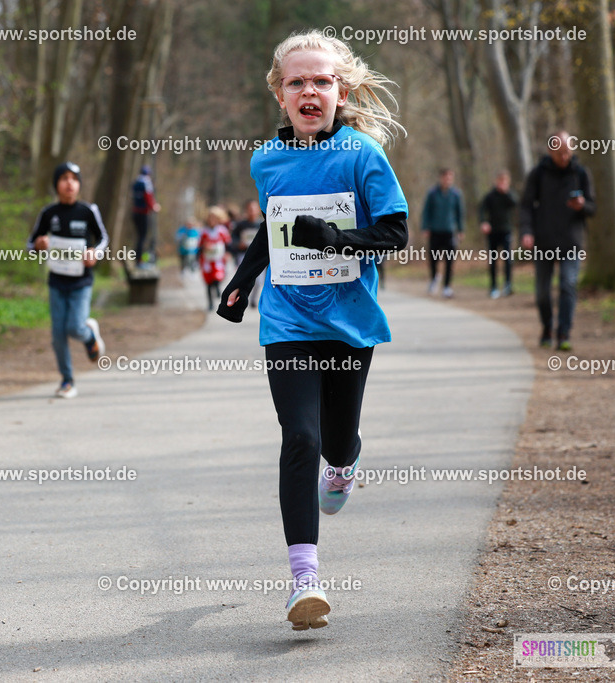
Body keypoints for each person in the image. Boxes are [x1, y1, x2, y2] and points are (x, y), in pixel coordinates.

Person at [217, 29, 408, 631]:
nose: (309, 91)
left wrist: (338, 240)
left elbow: (396, 235)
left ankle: (346, 464)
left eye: (321, 81)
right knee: (299, 435)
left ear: (341, 90)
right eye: (296, 81)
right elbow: (271, 230)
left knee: (336, 440)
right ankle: (306, 581)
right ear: (279, 93)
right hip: (288, 321)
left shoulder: (361, 156)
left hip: (349, 322)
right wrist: (242, 280)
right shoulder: (266, 160)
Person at [28, 161, 109, 398]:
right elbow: (30, 244)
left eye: (74, 179)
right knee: (58, 334)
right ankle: (67, 380)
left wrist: (95, 253)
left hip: (81, 281)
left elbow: (103, 238)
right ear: (56, 185)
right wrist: (38, 245)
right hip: (56, 281)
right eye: (63, 178)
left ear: (79, 184)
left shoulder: (88, 211)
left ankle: (89, 333)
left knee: (74, 327)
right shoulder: (48, 213)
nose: (69, 183)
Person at [520, 131, 595, 350]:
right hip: (543, 241)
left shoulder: (581, 173)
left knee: (568, 285)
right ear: (550, 150)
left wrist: (583, 206)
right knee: (542, 292)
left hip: (571, 241)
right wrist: (526, 231)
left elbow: (593, 207)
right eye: (561, 152)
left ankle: (563, 333)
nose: (565, 156)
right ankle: (546, 327)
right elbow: (526, 205)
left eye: (569, 151)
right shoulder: (538, 174)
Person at [421, 168, 464, 298]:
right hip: (435, 231)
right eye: (446, 177)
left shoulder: (456, 194)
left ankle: (447, 287)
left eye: (450, 178)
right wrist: (425, 227)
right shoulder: (432, 193)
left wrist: (461, 230)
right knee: (434, 258)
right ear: (441, 178)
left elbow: (460, 213)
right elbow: (426, 211)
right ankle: (434, 278)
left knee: (449, 260)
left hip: (450, 231)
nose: (448, 180)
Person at [479, 170, 518, 298]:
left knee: (508, 259)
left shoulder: (509, 195)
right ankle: (494, 286)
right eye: (500, 181)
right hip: (492, 232)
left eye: (505, 181)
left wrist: (506, 192)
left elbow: (515, 204)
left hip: (506, 230)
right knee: (493, 260)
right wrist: (484, 222)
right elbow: (482, 209)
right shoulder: (490, 196)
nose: (502, 184)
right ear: (497, 181)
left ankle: (508, 284)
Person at [232, 199, 265, 306]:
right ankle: (242, 299)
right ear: (246, 210)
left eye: (254, 208)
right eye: (250, 209)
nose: (252, 211)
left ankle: (254, 300)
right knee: (244, 279)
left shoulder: (262, 224)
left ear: (258, 210)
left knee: (259, 281)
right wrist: (238, 244)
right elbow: (233, 238)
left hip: (258, 256)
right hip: (243, 255)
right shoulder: (241, 225)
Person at [199, 206, 231, 311]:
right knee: (208, 282)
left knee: (218, 277)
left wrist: (227, 254)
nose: (212, 220)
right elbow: (199, 245)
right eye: (210, 218)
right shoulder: (204, 231)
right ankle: (210, 303)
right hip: (207, 260)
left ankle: (217, 288)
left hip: (218, 260)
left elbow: (228, 243)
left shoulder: (222, 230)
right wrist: (204, 247)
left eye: (214, 218)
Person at [130, 166, 160, 265]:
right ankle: (140, 260)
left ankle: (137, 258)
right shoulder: (146, 183)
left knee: (139, 237)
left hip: (135, 212)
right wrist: (154, 207)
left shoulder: (135, 182)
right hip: (143, 213)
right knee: (143, 237)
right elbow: (148, 197)